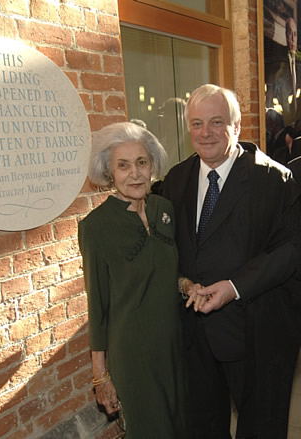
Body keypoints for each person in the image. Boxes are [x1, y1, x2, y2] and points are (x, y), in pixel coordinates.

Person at [159, 84, 301, 439]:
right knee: (203, 426)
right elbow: (169, 247)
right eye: (196, 123)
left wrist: (235, 287)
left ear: (236, 126)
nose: (205, 132)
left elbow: (291, 250)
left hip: (254, 330)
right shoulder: (177, 178)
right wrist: (183, 282)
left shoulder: (273, 179)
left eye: (216, 122)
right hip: (195, 334)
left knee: (261, 427)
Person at [78, 121, 195, 438]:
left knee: (181, 427)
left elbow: (168, 272)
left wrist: (186, 285)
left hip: (173, 345)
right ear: (109, 173)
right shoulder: (96, 228)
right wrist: (101, 376)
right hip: (133, 354)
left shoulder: (164, 209)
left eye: (141, 163)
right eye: (123, 165)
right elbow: (98, 307)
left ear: (152, 165)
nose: (135, 173)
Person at [265, 16, 301, 126]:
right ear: (286, 35)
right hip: (284, 123)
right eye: (290, 33)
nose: (293, 38)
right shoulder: (278, 63)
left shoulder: (299, 64)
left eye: (295, 34)